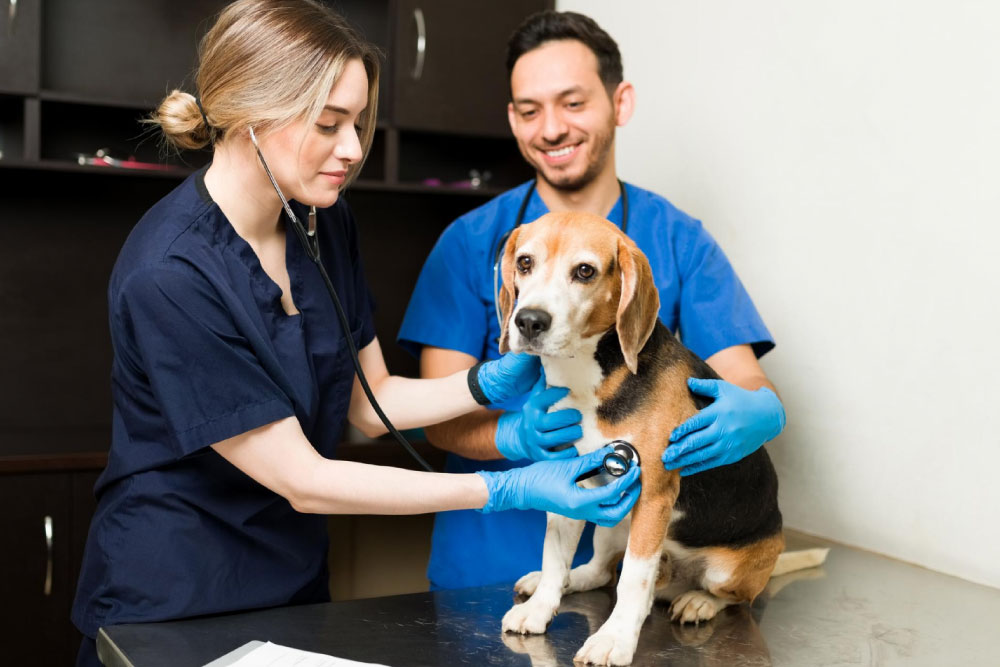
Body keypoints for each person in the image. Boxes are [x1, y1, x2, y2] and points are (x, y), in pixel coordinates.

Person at [70, 3, 642, 665]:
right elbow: (302, 478)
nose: (351, 148)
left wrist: (483, 382)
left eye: (357, 122)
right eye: (329, 124)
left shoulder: (320, 221)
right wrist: (505, 486)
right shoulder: (171, 275)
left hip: (291, 587)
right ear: (253, 113)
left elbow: (370, 405)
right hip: (170, 598)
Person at [398, 10, 786, 591]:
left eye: (573, 103)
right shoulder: (471, 242)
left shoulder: (680, 241)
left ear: (619, 102)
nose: (551, 128)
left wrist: (759, 411)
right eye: (529, 111)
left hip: (629, 569)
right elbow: (438, 422)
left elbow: (742, 381)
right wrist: (512, 437)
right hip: (482, 569)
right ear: (513, 120)